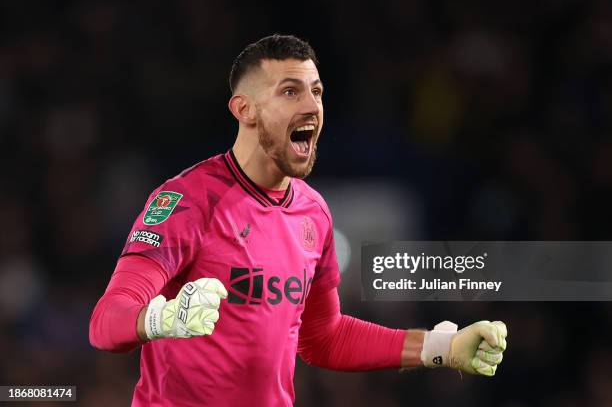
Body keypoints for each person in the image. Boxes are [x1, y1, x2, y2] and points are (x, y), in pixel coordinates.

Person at [89, 34, 507, 407]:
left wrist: (444, 346)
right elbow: (106, 323)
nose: (311, 106)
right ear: (245, 109)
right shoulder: (188, 201)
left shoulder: (313, 212)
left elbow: (324, 337)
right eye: (290, 92)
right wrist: (161, 319)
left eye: (317, 92)